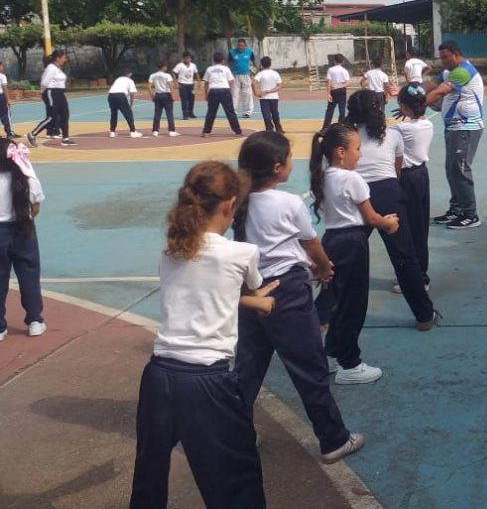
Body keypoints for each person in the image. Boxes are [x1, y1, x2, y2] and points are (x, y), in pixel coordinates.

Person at [129, 161, 279, 509]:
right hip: (207, 382)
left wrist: (251, 301)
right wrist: (260, 300)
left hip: (159, 377)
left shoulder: (172, 249)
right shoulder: (242, 252)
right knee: (236, 480)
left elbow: (203, 290)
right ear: (229, 205)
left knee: (149, 475)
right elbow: (248, 287)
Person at [232, 132, 364, 459]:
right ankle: (334, 439)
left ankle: (235, 434)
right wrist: (324, 268)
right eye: (289, 158)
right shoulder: (288, 202)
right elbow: (311, 243)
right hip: (286, 291)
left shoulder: (240, 201)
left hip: (252, 290)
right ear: (278, 168)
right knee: (309, 366)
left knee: (248, 367)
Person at [310, 123, 400, 383]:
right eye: (357, 149)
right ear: (341, 152)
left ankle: (329, 353)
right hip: (352, 242)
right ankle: (350, 364)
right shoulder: (352, 179)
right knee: (353, 304)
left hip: (332, 239)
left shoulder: (323, 176)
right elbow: (371, 217)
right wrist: (389, 222)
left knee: (336, 299)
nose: (360, 154)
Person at [344, 90, 438, 329]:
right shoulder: (392, 134)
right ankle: (424, 315)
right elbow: (396, 170)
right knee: (405, 257)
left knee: (346, 257)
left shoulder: (345, 137)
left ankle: (325, 315)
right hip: (387, 192)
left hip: (354, 193)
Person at [425, 40, 485, 229]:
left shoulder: (463, 71)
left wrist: (416, 106)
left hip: (466, 128)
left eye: (445, 57)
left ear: (456, 55)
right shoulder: (448, 72)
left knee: (460, 170)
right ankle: (457, 209)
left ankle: (471, 215)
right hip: (453, 128)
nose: (443, 61)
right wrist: (409, 91)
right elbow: (429, 86)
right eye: (441, 58)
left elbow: (439, 92)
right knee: (452, 170)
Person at [0, 138, 46, 340]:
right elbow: (35, 207)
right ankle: (34, 320)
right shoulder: (26, 175)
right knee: (29, 275)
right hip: (23, 228)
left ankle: (0, 327)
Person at [391, 84, 434, 294]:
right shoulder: (427, 124)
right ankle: (420, 273)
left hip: (406, 179)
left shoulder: (400, 129)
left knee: (405, 229)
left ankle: (416, 278)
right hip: (421, 175)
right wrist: (408, 110)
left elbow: (380, 133)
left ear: (404, 107)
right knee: (420, 227)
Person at [27, 50, 75, 148]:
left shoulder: (58, 68)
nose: (65, 59)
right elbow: (44, 82)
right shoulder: (51, 68)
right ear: (58, 58)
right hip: (51, 93)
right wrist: (42, 92)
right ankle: (32, 134)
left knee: (65, 115)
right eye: (64, 57)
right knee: (52, 117)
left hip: (60, 93)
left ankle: (65, 139)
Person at [201, 51, 243, 138]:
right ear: (223, 60)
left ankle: (206, 132)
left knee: (211, 112)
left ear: (213, 60)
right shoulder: (226, 69)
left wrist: (206, 94)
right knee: (230, 112)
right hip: (224, 90)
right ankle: (238, 131)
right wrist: (229, 91)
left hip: (213, 90)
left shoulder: (209, 69)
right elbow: (231, 81)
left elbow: (206, 83)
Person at [107, 69, 143, 138]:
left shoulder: (118, 79)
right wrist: (131, 104)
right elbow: (132, 94)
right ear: (129, 74)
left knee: (113, 114)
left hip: (111, 95)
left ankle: (112, 132)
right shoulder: (130, 81)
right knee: (128, 114)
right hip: (120, 96)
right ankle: (133, 132)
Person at [252, 57, 284, 134]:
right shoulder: (275, 73)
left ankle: (269, 129)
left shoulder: (260, 74)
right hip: (274, 97)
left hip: (264, 98)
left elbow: (253, 83)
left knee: (266, 115)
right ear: (270, 64)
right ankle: (278, 129)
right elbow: (280, 85)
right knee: (275, 113)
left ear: (261, 64)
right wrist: (270, 91)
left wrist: (256, 93)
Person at [149, 61, 180, 137]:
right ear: (163, 67)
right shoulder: (167, 75)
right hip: (166, 95)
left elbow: (149, 86)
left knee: (157, 114)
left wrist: (152, 96)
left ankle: (155, 130)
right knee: (169, 114)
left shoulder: (153, 75)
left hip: (158, 95)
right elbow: (170, 86)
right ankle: (171, 131)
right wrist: (173, 96)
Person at [229, 38, 256, 119]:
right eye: (238, 45)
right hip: (235, 76)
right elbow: (228, 63)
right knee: (234, 93)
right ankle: (234, 111)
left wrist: (254, 71)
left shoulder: (249, 52)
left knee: (247, 93)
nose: (240, 47)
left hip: (246, 75)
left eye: (241, 45)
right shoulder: (232, 52)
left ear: (245, 46)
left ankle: (247, 111)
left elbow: (254, 61)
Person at [322, 54, 350, 131]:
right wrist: (340, 86)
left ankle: (325, 128)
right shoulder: (345, 71)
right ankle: (341, 127)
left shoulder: (330, 70)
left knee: (330, 110)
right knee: (342, 110)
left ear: (334, 61)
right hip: (342, 91)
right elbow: (347, 83)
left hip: (333, 90)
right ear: (343, 61)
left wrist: (328, 93)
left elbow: (328, 82)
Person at [173, 52, 199, 120]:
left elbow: (196, 73)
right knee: (184, 100)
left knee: (191, 99)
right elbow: (174, 73)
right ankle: (185, 114)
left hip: (191, 84)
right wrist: (175, 82)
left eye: (189, 58)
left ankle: (191, 113)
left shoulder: (193, 65)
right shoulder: (179, 65)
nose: (188, 59)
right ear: (183, 58)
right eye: (186, 58)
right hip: (182, 84)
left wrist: (199, 81)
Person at [0, 61, 20, 139]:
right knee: (6, 114)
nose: (3, 67)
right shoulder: (2, 76)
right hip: (1, 97)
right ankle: (9, 133)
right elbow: (5, 88)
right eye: (1, 66)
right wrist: (8, 100)